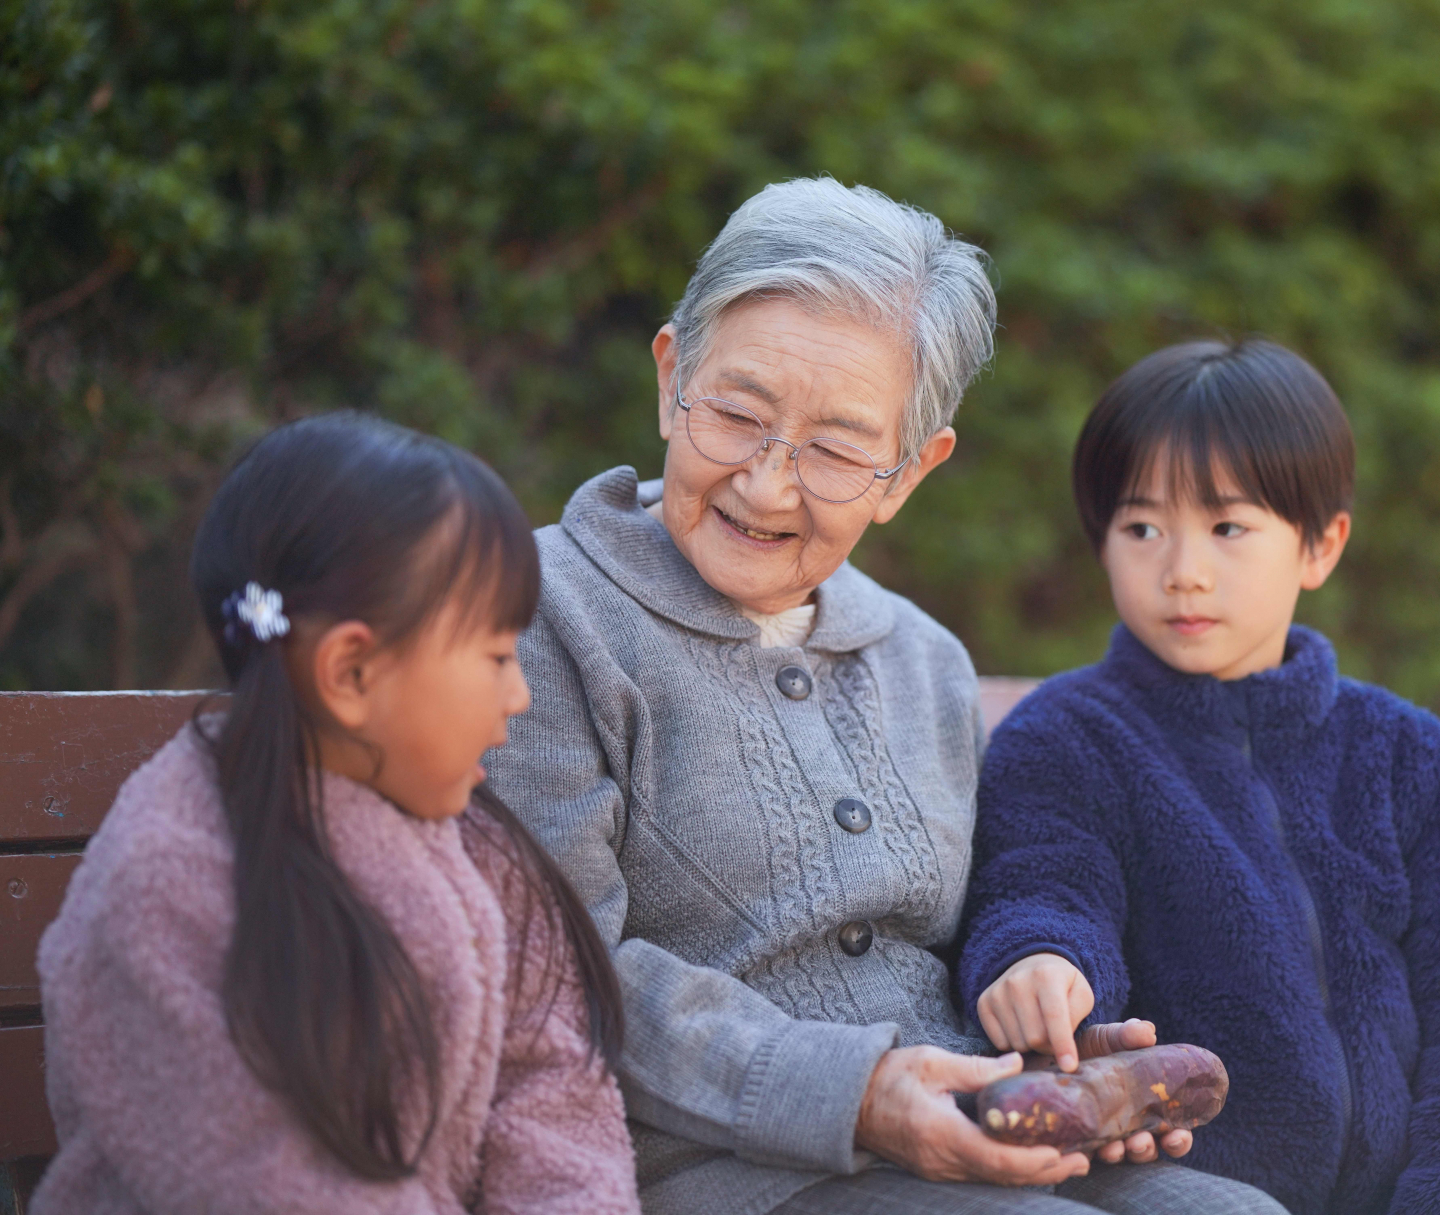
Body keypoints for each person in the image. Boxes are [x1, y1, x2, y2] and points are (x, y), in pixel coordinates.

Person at [482, 178, 1287, 1215]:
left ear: (909, 469)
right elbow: (554, 970)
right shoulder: (542, 614)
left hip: (957, 1123)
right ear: (671, 375)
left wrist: (1048, 1053)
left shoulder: (923, 660)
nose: (768, 485)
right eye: (736, 412)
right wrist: (860, 1094)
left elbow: (950, 954)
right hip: (715, 1167)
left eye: (834, 448)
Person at [958, 339, 1440, 1214]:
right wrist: (1039, 958)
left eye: (1228, 527)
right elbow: (1045, 883)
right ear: (1102, 544)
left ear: (1320, 545)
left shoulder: (1412, 760)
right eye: (1142, 528)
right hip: (1186, 1184)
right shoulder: (1068, 739)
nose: (1182, 570)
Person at [33, 413, 640, 1214]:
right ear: (350, 671)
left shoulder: (473, 835)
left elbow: (551, 1084)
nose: (519, 696)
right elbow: (266, 1182)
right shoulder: (172, 879)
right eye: (496, 657)